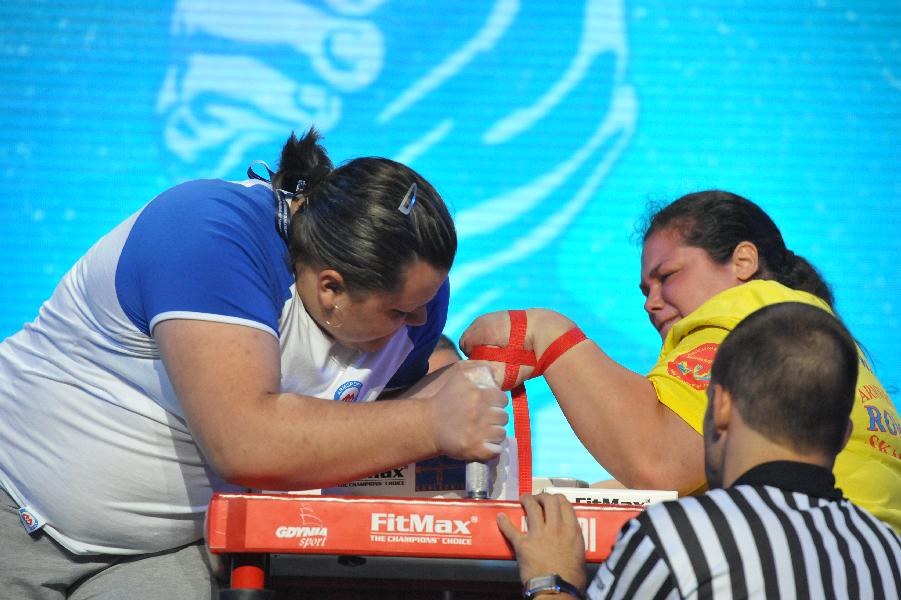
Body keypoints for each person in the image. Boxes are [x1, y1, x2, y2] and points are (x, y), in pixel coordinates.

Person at [0, 128, 509, 598]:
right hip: (14, 503)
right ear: (329, 287)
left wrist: (472, 380)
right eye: (399, 311)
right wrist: (432, 420)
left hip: (164, 552)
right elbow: (245, 443)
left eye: (427, 301)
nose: (419, 319)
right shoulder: (205, 233)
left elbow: (386, 405)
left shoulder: (413, 302)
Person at [462, 190, 900, 532]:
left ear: (743, 261)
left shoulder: (752, 310)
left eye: (667, 277)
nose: (652, 303)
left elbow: (656, 461)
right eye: (644, 291)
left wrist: (545, 331)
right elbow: (686, 477)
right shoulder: (812, 329)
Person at [499, 302, 901, 599]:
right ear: (845, 434)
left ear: (721, 404)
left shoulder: (679, 535)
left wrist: (551, 581)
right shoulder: (886, 551)